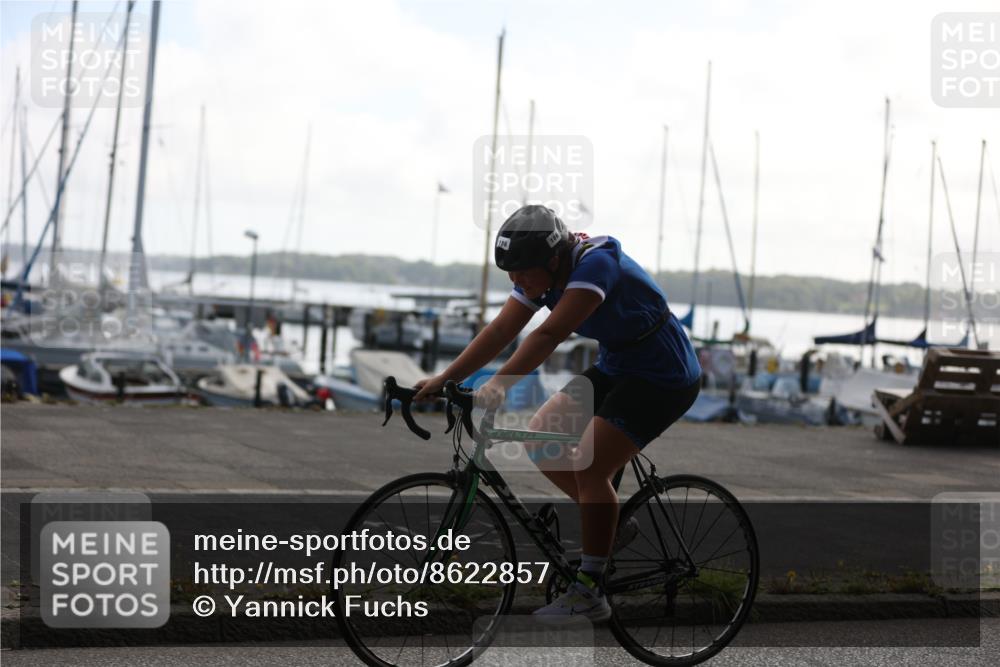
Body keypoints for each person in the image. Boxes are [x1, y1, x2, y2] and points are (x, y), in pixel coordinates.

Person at [413, 204, 701, 621]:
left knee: (590, 466)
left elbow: (548, 334)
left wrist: (500, 384)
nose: (516, 282)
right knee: (542, 437)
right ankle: (611, 525)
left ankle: (590, 591)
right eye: (510, 274)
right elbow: (501, 330)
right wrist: (445, 378)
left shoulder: (595, 266)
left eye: (522, 273)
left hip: (664, 375)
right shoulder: (541, 275)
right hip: (617, 365)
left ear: (552, 260)